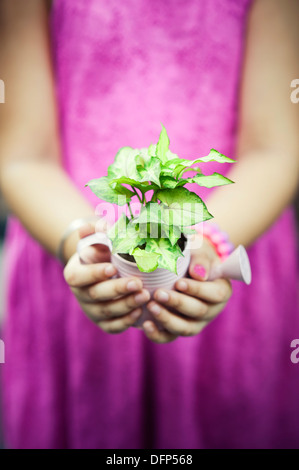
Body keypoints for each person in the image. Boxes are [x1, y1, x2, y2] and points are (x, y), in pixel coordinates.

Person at [0, 0, 299, 449]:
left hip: (235, 239)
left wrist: (208, 246)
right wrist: (82, 244)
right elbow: (21, 155)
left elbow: (276, 148)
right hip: (67, 253)